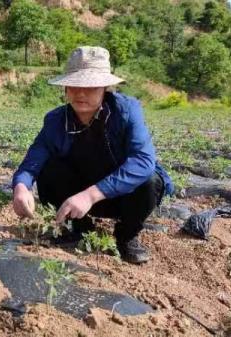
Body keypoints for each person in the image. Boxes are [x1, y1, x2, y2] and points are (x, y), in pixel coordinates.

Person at [11, 46, 174, 264]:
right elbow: (31, 163)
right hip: (75, 200)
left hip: (122, 198)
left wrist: (90, 195)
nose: (80, 93)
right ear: (66, 87)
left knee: (150, 180)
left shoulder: (126, 111)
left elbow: (143, 161)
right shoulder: (56, 120)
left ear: (105, 88)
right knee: (49, 168)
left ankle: (126, 237)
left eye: (90, 86)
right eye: (74, 85)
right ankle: (78, 228)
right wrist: (21, 187)